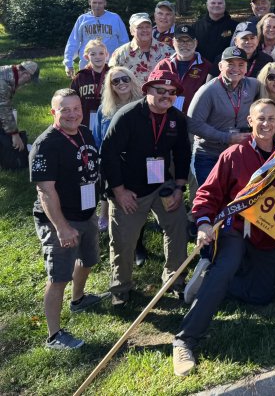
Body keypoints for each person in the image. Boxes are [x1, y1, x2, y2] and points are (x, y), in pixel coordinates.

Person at [172, 99, 275, 376]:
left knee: (261, 296)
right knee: (226, 266)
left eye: (271, 118)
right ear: (250, 121)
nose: (266, 124)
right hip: (234, 227)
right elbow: (207, 193)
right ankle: (185, 339)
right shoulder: (234, 154)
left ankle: (211, 280)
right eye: (261, 118)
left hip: (266, 231)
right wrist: (203, 223)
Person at [100, 69, 191, 306]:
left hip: (162, 184)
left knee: (178, 225)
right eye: (160, 91)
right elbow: (107, 155)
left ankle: (175, 280)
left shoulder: (177, 119)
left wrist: (179, 188)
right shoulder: (127, 116)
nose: (166, 96)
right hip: (128, 187)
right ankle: (120, 287)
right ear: (147, 90)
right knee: (123, 238)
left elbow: (183, 154)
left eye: (172, 93)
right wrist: (119, 192)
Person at [30, 89, 103, 349]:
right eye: (65, 110)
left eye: (76, 108)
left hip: (86, 212)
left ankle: (79, 299)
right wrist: (61, 228)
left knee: (88, 259)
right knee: (59, 277)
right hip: (60, 220)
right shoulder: (46, 145)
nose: (72, 114)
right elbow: (45, 191)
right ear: (53, 112)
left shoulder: (85, 131)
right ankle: (54, 335)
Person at [187, 47, 258, 186]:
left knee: (234, 201)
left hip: (238, 155)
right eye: (230, 64)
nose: (236, 68)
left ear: (246, 68)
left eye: (241, 64)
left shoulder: (252, 85)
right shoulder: (208, 90)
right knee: (210, 200)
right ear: (220, 66)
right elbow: (193, 124)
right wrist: (227, 138)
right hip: (210, 156)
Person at [93, 67, 143, 233]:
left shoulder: (143, 105)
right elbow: (98, 137)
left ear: (132, 81)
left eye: (125, 79)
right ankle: (105, 215)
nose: (121, 83)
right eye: (116, 81)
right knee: (110, 187)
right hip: (112, 159)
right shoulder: (104, 109)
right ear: (111, 86)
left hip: (136, 160)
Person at [63, 0, 129, 78]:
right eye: (94, 2)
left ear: (105, 3)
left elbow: (124, 42)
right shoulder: (82, 19)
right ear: (89, 2)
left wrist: (124, 62)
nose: (97, 6)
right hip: (87, 64)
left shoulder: (115, 18)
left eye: (100, 3)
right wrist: (68, 63)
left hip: (110, 64)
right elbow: (73, 41)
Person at [154, 24, 212, 115]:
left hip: (193, 118)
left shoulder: (206, 67)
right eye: (180, 41)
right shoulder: (163, 65)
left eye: (188, 41)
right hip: (164, 117)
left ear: (196, 43)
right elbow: (152, 92)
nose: (184, 45)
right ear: (173, 42)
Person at [109, 12, 173, 84]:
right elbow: (112, 81)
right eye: (139, 27)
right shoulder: (120, 54)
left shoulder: (168, 52)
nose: (144, 30)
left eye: (147, 27)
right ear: (131, 31)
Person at [69, 39, 109, 132]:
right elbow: (72, 99)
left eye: (101, 53)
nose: (98, 57)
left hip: (109, 117)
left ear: (107, 55)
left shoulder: (112, 74)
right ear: (86, 57)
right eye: (93, 54)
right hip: (86, 118)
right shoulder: (80, 76)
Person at [0, 61, 39, 151]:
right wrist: (14, 134)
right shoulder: (3, 84)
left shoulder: (7, 72)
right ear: (25, 74)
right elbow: (3, 110)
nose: (26, 83)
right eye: (29, 80)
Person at [193, 0, 238, 64]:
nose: (216, 5)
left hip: (227, 69)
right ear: (207, 5)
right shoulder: (196, 27)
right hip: (201, 69)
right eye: (213, 3)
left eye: (220, 3)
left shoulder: (235, 27)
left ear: (224, 5)